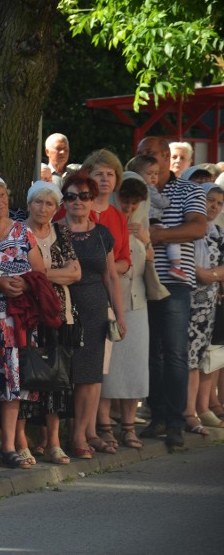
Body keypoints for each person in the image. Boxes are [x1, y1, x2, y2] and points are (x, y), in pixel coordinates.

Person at [136, 136, 206, 449]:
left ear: (166, 157)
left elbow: (197, 227)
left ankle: (177, 422)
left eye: (149, 154)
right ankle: (158, 417)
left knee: (176, 352)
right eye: (140, 155)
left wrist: (160, 235)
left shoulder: (189, 189)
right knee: (151, 352)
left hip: (175, 282)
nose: (145, 159)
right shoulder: (136, 187)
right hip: (141, 279)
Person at [0, 175, 46, 469]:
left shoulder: (22, 231)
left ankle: (10, 445)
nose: (0, 202)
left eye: (3, 195)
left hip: (17, 319)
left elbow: (40, 272)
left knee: (13, 382)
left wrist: (25, 286)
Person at [59, 172, 126, 458]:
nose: (78, 202)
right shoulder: (54, 230)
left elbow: (111, 277)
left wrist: (120, 316)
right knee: (63, 374)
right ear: (64, 200)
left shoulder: (101, 233)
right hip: (63, 310)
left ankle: (81, 435)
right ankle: (58, 435)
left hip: (96, 308)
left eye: (84, 196)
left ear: (92, 200)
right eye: (72, 196)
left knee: (89, 376)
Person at [24, 181, 80, 464]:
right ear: (29, 204)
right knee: (29, 377)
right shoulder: (19, 232)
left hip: (60, 313)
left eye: (49, 204)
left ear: (56, 208)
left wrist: (40, 274)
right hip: (29, 314)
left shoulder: (62, 232)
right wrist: (55, 273)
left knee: (57, 378)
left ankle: (54, 441)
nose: (43, 208)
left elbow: (76, 273)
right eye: (38, 202)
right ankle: (27, 440)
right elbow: (24, 275)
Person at [101, 173, 152, 449]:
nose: (129, 207)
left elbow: (147, 267)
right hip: (110, 300)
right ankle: (105, 425)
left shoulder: (140, 226)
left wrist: (148, 242)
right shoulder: (107, 219)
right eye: (125, 200)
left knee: (133, 367)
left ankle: (129, 426)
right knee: (108, 368)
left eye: (135, 203)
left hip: (138, 301)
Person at [184, 183, 224, 433]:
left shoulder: (219, 233)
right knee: (177, 356)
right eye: (210, 200)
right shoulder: (186, 227)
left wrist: (210, 274)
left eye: (219, 203)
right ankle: (175, 412)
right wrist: (202, 273)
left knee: (198, 358)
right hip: (180, 299)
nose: (214, 206)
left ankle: (193, 411)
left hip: (207, 306)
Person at [126, 155, 185, 280]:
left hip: (144, 221)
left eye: (156, 173)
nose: (153, 177)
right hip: (152, 220)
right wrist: (167, 199)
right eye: (149, 173)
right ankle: (176, 266)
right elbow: (162, 203)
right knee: (172, 240)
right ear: (137, 174)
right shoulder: (149, 188)